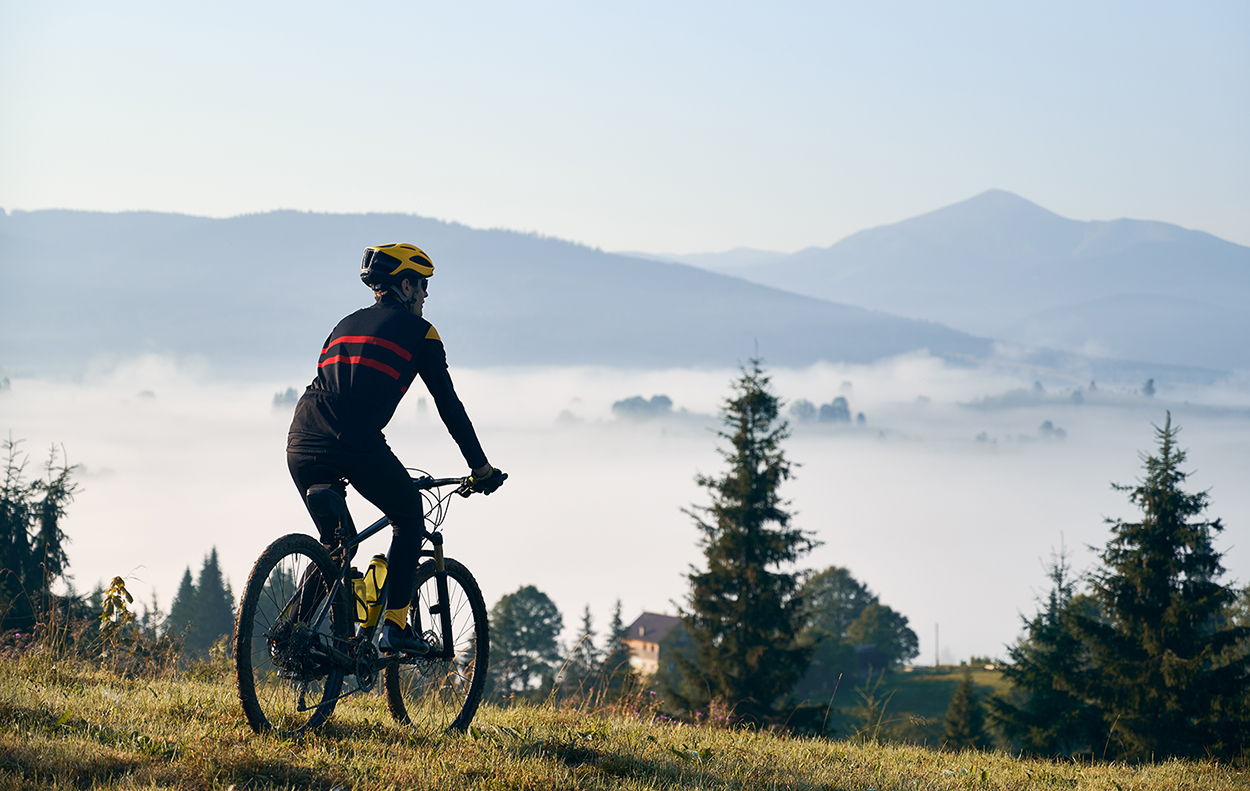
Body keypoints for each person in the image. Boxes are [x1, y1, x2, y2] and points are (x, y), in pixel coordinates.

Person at [286, 243, 505, 654]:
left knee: (336, 546)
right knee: (408, 515)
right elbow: (449, 408)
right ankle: (395, 627)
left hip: (300, 439)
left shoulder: (345, 323)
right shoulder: (421, 333)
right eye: (422, 286)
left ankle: (299, 637)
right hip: (354, 443)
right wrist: (481, 468)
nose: (426, 295)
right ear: (405, 285)